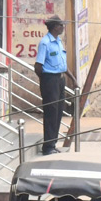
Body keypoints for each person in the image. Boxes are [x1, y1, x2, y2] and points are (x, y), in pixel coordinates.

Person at [33, 17, 70, 155]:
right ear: (55, 27)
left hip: (60, 79)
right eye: (61, 25)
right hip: (50, 79)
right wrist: (46, 81)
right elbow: (38, 66)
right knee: (51, 113)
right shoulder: (45, 43)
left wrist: (72, 79)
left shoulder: (58, 41)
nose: (62, 27)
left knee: (58, 112)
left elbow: (62, 64)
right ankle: (48, 146)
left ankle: (53, 143)